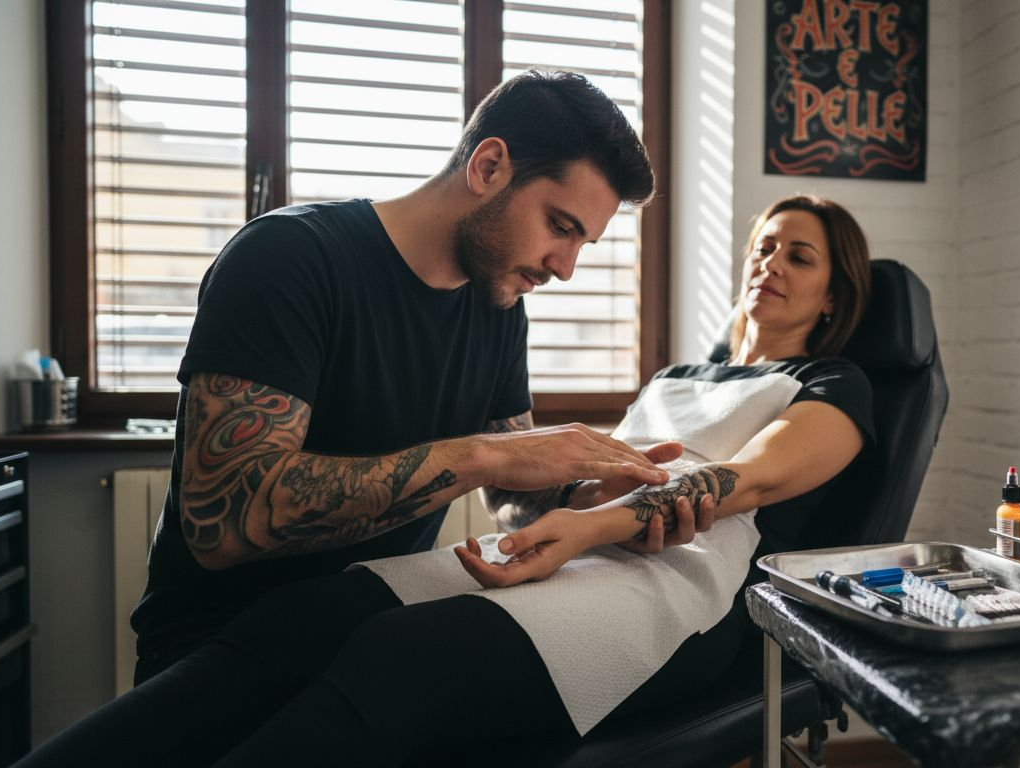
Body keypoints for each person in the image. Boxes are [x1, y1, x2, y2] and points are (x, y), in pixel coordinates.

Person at [14, 195, 875, 768]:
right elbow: (580, 485)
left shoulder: (836, 385)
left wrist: (582, 529)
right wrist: (564, 503)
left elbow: (744, 483)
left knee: (401, 658)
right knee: (320, 609)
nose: (772, 263)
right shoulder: (679, 375)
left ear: (833, 296)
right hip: (566, 555)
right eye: (764, 246)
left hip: (678, 588)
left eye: (800, 256)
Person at [126, 69, 718, 687]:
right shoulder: (286, 258)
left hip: (368, 635)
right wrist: (482, 456)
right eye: (560, 227)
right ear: (489, 167)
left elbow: (512, 499)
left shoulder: (498, 308)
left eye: (583, 245)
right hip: (215, 651)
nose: (564, 269)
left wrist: (592, 505)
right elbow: (223, 521)